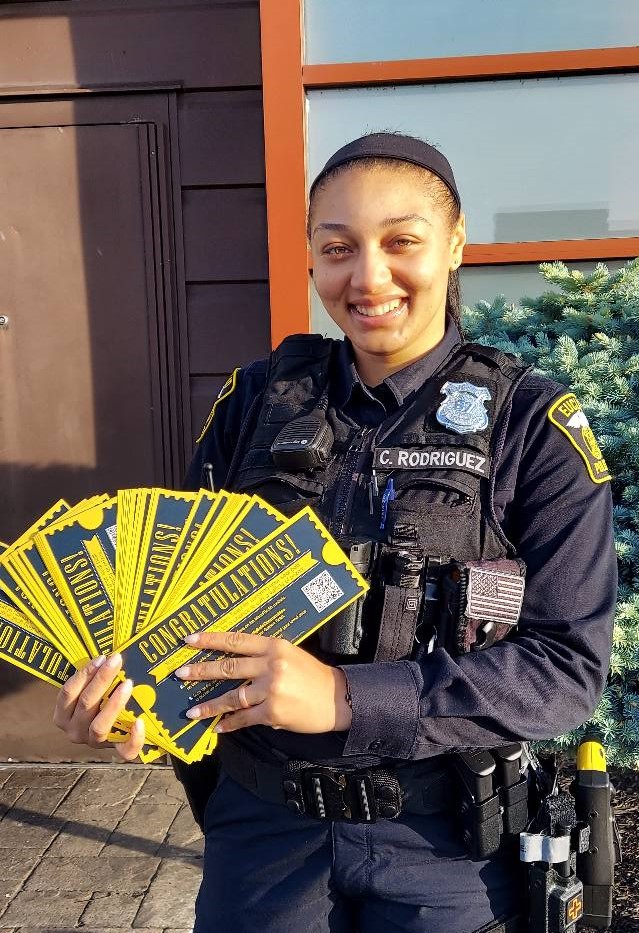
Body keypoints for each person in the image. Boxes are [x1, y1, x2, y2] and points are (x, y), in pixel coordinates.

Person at [53, 133, 617, 933]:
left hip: (445, 846)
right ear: (312, 258)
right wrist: (128, 705)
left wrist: (346, 696)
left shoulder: (532, 425)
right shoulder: (253, 402)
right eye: (338, 247)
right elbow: (166, 610)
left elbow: (565, 667)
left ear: (455, 245)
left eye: (401, 242)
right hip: (263, 833)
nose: (369, 276)